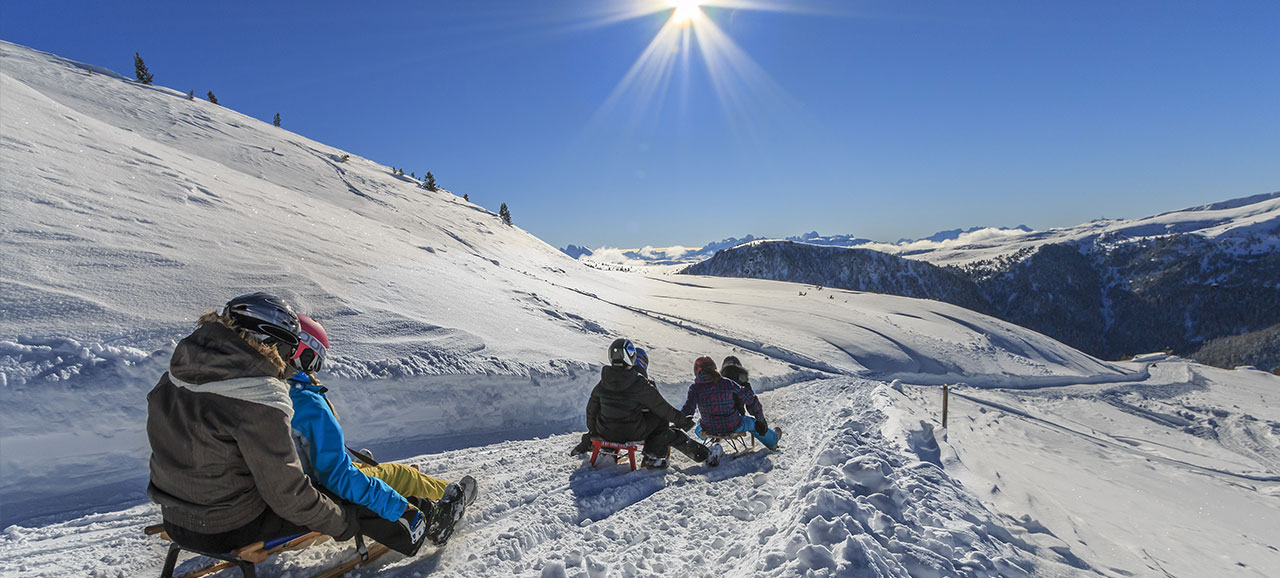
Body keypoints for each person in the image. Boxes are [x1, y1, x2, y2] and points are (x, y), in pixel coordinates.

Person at [146, 293, 425, 557]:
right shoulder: (259, 398)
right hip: (227, 527)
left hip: (175, 517)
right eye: (289, 349)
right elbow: (288, 495)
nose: (288, 362)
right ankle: (417, 533)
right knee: (344, 498)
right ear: (272, 342)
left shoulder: (177, 375)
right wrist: (344, 522)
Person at [286, 313, 474, 545]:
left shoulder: (270, 393)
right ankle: (451, 499)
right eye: (315, 358)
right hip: (320, 489)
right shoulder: (304, 401)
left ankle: (364, 468)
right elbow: (337, 477)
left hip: (298, 485)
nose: (315, 368)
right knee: (400, 474)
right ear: (299, 351)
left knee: (365, 469)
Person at [571, 339, 718, 469]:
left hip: (605, 431)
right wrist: (682, 421)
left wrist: (595, 431)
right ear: (631, 357)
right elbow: (662, 408)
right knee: (661, 421)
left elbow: (591, 410)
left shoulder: (603, 382)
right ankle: (654, 457)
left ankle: (608, 451)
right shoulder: (638, 382)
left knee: (653, 418)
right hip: (630, 432)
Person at [682, 357, 781, 450]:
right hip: (732, 426)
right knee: (752, 423)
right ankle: (773, 440)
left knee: (698, 428)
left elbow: (688, 409)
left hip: (708, 428)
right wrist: (761, 420)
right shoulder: (727, 383)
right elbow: (750, 399)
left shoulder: (695, 388)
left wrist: (678, 423)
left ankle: (714, 440)